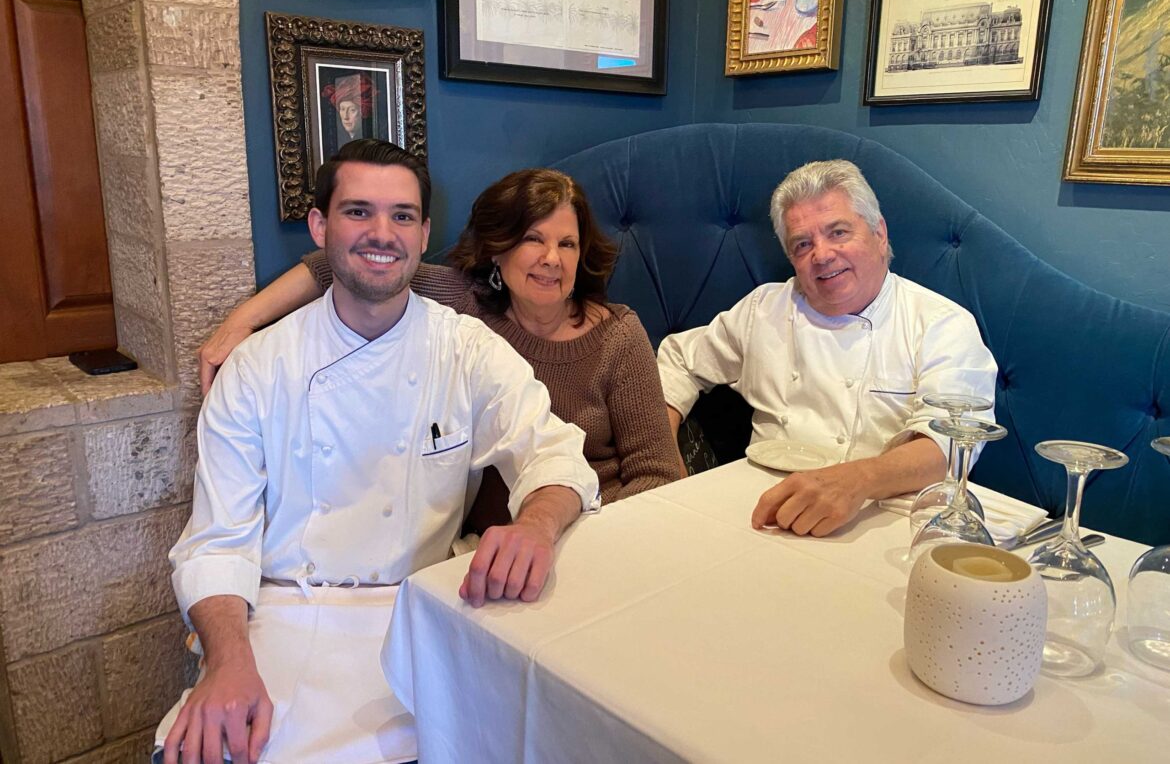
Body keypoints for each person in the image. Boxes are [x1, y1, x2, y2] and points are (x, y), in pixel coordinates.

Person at [157, 140, 599, 764]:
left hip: (423, 610)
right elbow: (217, 542)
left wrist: (534, 525)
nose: (381, 234)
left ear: (423, 234)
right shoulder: (259, 367)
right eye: (358, 212)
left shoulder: (466, 349)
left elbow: (553, 452)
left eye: (401, 216)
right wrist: (226, 666)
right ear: (320, 226)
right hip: (284, 614)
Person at [200, 168, 679, 522]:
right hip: (481, 552)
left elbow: (659, 476)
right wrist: (240, 323)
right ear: (498, 248)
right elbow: (335, 266)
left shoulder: (616, 335)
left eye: (568, 244)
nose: (552, 259)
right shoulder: (465, 303)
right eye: (533, 239)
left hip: (598, 528)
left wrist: (561, 524)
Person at [657, 159, 997, 538]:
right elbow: (677, 361)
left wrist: (858, 480)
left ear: (879, 233)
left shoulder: (940, 323)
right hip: (758, 511)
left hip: (880, 521)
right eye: (803, 244)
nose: (821, 255)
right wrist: (663, 462)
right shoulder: (764, 309)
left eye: (838, 232)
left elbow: (947, 448)